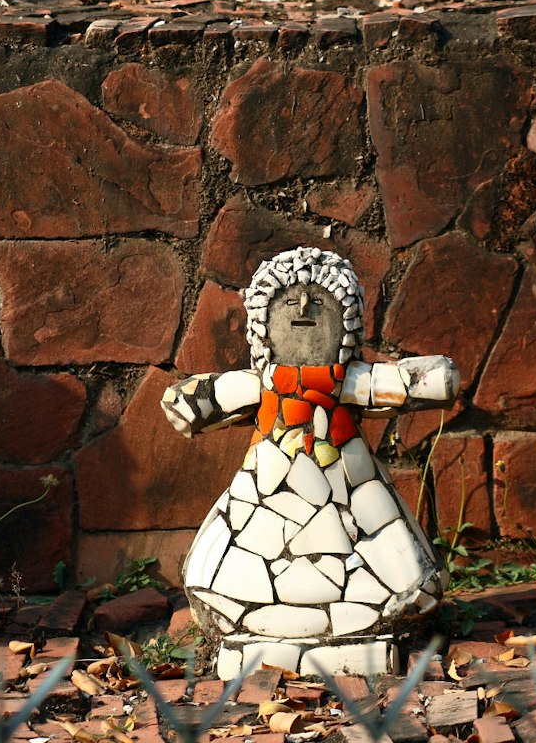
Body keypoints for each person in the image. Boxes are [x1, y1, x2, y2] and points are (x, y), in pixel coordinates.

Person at [162, 248, 455, 678]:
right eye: (288, 300)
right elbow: (186, 404)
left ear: (347, 322)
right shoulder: (259, 386)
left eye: (319, 300)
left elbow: (426, 383)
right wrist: (189, 399)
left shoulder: (352, 382)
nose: (303, 309)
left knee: (397, 574)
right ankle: (260, 626)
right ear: (262, 325)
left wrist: (429, 377)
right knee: (230, 568)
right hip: (263, 499)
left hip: (351, 495)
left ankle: (359, 628)